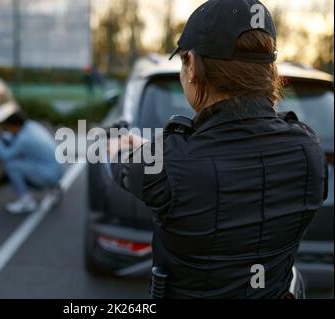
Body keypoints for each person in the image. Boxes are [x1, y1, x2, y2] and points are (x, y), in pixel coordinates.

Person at [108, 0, 328, 298]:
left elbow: (122, 165)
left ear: (193, 67)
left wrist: (117, 141)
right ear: (268, 71)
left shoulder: (168, 164)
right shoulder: (309, 149)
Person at [0, 112, 64, 214]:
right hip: (59, 169)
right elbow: (16, 138)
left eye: (9, 128)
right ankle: (54, 187)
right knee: (24, 160)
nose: (9, 130)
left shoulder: (23, 139)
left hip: (49, 174)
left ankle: (27, 202)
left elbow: (5, 155)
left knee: (11, 165)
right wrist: (2, 134)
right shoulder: (32, 125)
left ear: (15, 126)